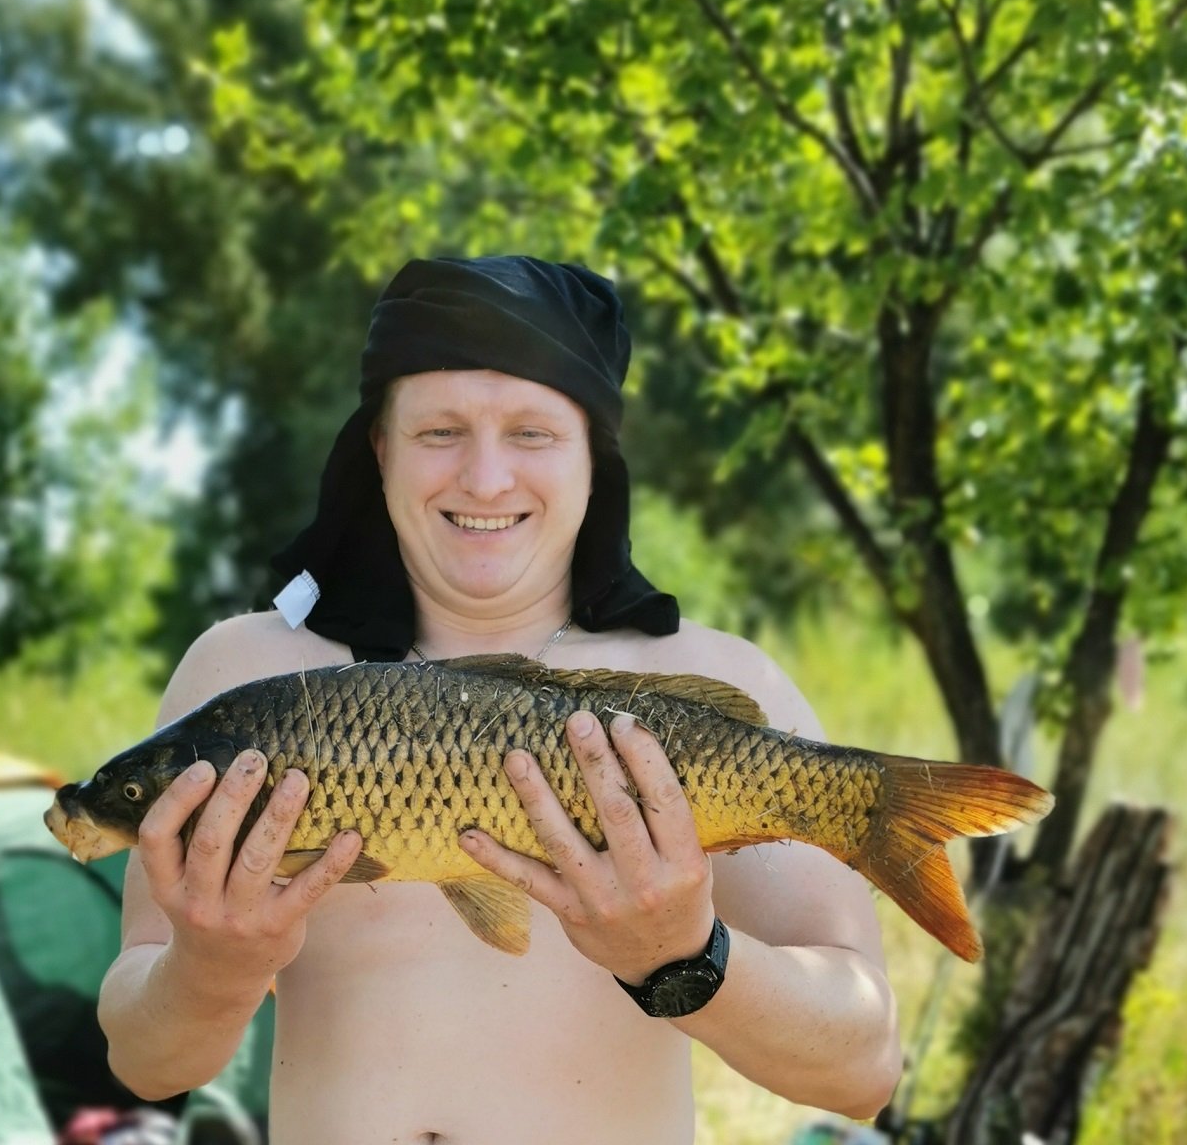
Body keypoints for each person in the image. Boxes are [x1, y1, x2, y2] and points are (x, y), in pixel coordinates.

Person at [97, 257, 900, 1143]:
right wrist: (211, 968)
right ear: (379, 449)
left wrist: (684, 956)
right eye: (440, 431)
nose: (485, 479)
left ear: (595, 453)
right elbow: (145, 1061)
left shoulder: (709, 688)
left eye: (532, 433)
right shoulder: (247, 680)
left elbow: (864, 1067)